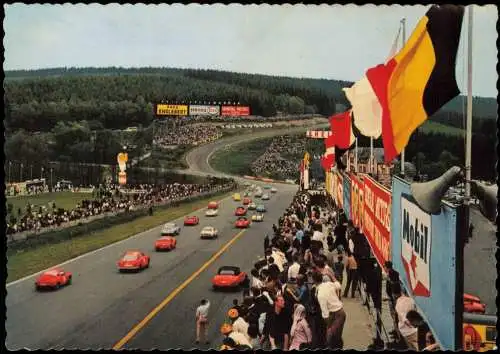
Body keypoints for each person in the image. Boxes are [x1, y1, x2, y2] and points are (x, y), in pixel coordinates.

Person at [313, 271, 346, 350]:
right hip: (339, 313)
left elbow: (325, 315)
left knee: (330, 338)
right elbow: (338, 285)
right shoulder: (328, 284)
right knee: (335, 337)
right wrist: (331, 275)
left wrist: (329, 326)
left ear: (314, 281)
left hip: (336, 315)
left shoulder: (320, 295)